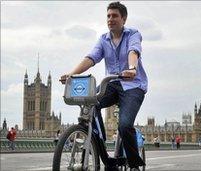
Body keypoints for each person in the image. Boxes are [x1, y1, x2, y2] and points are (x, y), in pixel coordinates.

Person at [60, 2, 147, 170]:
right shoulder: (103, 39)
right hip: (112, 84)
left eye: (114, 16)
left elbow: (133, 51)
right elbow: (91, 58)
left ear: (124, 18)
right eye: (108, 16)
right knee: (90, 103)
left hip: (133, 86)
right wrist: (73, 74)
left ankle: (134, 165)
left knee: (124, 125)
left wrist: (132, 68)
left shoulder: (133, 34)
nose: (110, 19)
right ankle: (99, 140)